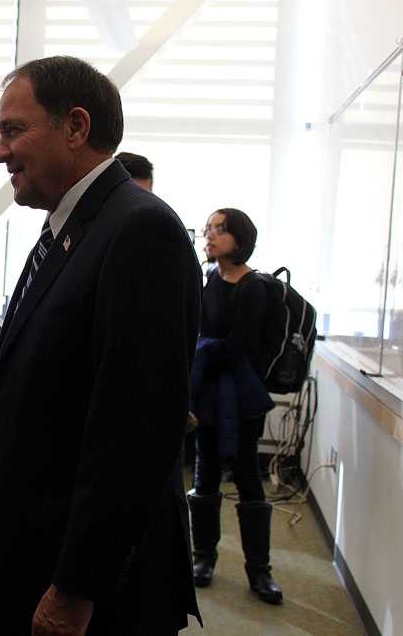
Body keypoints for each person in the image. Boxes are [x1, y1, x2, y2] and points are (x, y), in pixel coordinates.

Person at [0, 56, 202, 635]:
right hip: (35, 548)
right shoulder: (68, 230)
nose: (0, 152)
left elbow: (134, 434)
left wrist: (78, 587)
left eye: (12, 130)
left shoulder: (139, 229)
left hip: (93, 588)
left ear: (75, 127)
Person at [187, 208, 283, 604]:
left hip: (242, 398)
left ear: (240, 238)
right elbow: (203, 334)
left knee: (247, 476)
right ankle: (203, 557)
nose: (210, 236)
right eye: (209, 229)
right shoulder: (209, 278)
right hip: (210, 395)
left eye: (220, 230)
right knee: (206, 472)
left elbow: (233, 349)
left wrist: (203, 354)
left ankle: (259, 570)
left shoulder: (254, 287)